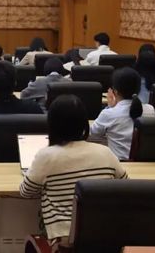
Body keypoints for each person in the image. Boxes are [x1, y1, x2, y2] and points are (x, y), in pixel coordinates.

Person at [20, 94, 127, 247]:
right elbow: (124, 187)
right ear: (84, 124)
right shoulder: (106, 152)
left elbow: (26, 191)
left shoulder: (46, 156)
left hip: (64, 241)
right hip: (105, 237)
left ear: (52, 125)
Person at [90, 67, 155, 160]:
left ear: (115, 91)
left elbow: (94, 133)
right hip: (146, 164)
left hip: (119, 164)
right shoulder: (150, 110)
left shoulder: (109, 113)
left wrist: (110, 107)